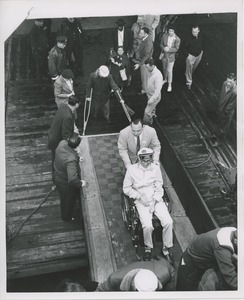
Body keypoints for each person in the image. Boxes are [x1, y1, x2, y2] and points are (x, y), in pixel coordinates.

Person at [123, 148, 174, 263]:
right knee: (147, 225)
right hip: (140, 198)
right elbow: (126, 189)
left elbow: (159, 185)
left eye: (149, 161)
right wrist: (139, 196)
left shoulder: (155, 168)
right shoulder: (131, 170)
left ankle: (166, 248)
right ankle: (148, 248)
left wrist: (154, 201)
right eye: (144, 161)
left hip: (155, 198)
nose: (147, 164)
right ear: (139, 159)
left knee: (168, 222)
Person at [54, 132, 86, 221]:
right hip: (64, 183)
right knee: (67, 201)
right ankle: (66, 217)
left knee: (65, 198)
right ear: (76, 146)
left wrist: (77, 157)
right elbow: (72, 180)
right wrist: (80, 183)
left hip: (57, 174)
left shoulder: (62, 143)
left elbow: (65, 154)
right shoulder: (71, 160)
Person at [97, 258, 175, 291]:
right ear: (133, 285)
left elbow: (171, 271)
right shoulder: (115, 278)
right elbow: (101, 290)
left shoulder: (164, 272)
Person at [48, 96, 80, 171]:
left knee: (55, 158)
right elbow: (66, 136)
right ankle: (56, 174)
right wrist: (74, 149)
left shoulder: (63, 107)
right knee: (57, 159)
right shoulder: (68, 116)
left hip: (53, 135)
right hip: (56, 141)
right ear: (77, 104)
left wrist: (74, 127)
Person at [209, 73, 237, 146]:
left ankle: (220, 141)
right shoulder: (224, 83)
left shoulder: (235, 92)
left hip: (227, 112)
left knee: (224, 127)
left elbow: (231, 105)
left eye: (230, 82)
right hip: (221, 108)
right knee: (219, 122)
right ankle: (215, 134)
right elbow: (222, 95)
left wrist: (225, 112)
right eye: (227, 81)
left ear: (235, 81)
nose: (228, 83)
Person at [159, 25, 181, 92]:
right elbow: (161, 44)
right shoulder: (164, 36)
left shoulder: (177, 39)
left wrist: (169, 49)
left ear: (174, 31)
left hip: (171, 57)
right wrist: (164, 48)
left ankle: (169, 84)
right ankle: (165, 79)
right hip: (164, 55)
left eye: (172, 31)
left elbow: (176, 49)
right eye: (169, 31)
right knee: (164, 68)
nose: (170, 32)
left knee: (169, 71)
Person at [143, 58, 164, 125]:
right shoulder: (150, 71)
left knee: (147, 112)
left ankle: (146, 125)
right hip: (149, 94)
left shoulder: (158, 75)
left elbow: (157, 91)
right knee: (152, 109)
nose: (146, 69)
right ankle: (152, 118)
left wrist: (152, 99)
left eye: (147, 67)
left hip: (154, 97)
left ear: (152, 66)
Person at [183, 25, 205, 89]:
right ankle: (189, 82)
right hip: (191, 56)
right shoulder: (188, 38)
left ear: (198, 31)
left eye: (195, 32)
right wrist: (188, 55)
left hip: (199, 55)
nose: (193, 33)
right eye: (193, 32)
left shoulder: (201, 36)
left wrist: (202, 51)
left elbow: (203, 43)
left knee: (193, 68)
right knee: (189, 70)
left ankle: (187, 74)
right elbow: (183, 48)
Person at [133, 27, 154, 94]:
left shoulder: (148, 42)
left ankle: (146, 91)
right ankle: (145, 88)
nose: (139, 34)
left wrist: (139, 64)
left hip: (145, 62)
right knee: (145, 78)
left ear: (145, 34)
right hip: (143, 60)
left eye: (141, 33)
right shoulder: (145, 38)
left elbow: (146, 56)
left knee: (144, 77)